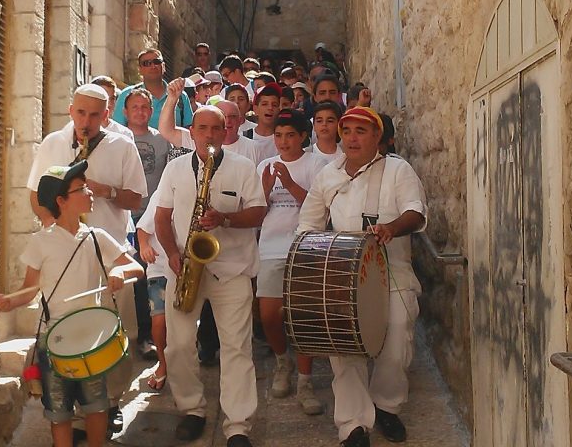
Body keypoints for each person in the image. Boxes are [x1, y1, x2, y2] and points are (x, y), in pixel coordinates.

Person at [296, 106, 427, 447]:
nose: (352, 138)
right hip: (343, 274)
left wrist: (392, 227)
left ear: (377, 137)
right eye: (347, 130)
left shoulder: (398, 170)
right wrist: (312, 262)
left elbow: (415, 211)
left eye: (361, 131)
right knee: (344, 349)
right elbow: (308, 223)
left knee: (396, 341)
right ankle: (353, 425)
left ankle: (386, 406)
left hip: (393, 270)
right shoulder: (327, 175)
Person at [27, 83, 149, 435]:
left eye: (95, 114)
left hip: (108, 252)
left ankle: (111, 403)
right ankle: (79, 414)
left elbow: (136, 199)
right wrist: (55, 227)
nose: (87, 120)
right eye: (81, 112)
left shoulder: (121, 145)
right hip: (64, 254)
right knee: (70, 327)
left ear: (107, 114)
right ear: (71, 111)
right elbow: (35, 195)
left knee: (117, 328)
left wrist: (103, 190)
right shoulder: (53, 143)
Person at [0, 161, 145, 447]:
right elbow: (29, 291)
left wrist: (118, 271)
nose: (90, 192)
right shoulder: (41, 242)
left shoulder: (96, 236)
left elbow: (136, 268)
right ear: (61, 200)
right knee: (59, 411)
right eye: (83, 188)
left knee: (96, 405)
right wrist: (8, 302)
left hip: (91, 338)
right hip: (54, 338)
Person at [153, 106, 268, 447]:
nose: (208, 135)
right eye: (201, 128)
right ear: (192, 131)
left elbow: (259, 212)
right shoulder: (175, 169)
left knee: (237, 348)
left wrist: (226, 219)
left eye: (215, 128)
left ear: (224, 131)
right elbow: (161, 218)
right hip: (185, 268)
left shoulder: (244, 168)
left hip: (231, 270)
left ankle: (237, 426)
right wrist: (173, 255)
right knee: (179, 346)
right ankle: (192, 409)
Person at [256, 109, 330, 416]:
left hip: (306, 247)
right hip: (270, 247)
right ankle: (281, 361)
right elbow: (256, 212)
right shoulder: (263, 165)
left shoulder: (316, 164)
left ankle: (305, 380)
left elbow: (320, 207)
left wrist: (287, 182)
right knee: (269, 316)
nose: (283, 142)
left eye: (289, 135)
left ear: (302, 136)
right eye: (278, 135)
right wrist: (264, 187)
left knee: (302, 317)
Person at [124, 87, 173, 359]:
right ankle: (138, 333)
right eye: (135, 107)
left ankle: (150, 336)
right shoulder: (119, 137)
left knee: (149, 276)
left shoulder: (162, 141)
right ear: (126, 111)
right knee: (134, 277)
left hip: (153, 217)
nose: (140, 112)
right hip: (126, 216)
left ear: (151, 112)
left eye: (145, 107)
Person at [159, 80, 262, 168]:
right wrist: (172, 99)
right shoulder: (196, 139)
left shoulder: (254, 148)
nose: (227, 121)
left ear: (240, 120)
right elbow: (166, 130)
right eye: (222, 116)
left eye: (233, 117)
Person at [134, 201, 171, 391]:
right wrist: (143, 246)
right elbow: (143, 228)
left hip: (187, 266)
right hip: (159, 267)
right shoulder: (162, 193)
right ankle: (163, 363)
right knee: (159, 322)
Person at [112, 48, 194, 129]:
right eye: (147, 63)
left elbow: (189, 130)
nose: (153, 66)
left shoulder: (180, 96)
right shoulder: (127, 95)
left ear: (164, 66)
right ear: (140, 69)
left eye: (157, 62)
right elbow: (117, 129)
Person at [242, 83, 282, 165]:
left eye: (274, 105)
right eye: (264, 104)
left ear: (279, 109)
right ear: (255, 109)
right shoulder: (245, 136)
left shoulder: (283, 138)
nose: (270, 108)